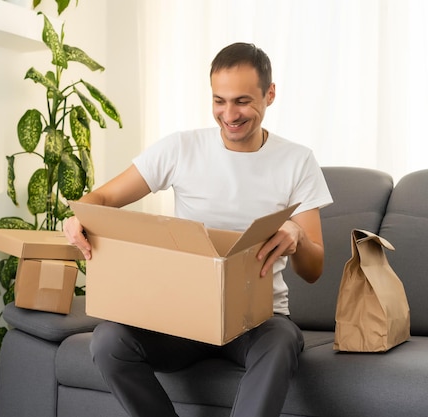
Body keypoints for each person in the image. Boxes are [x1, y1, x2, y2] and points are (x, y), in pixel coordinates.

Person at [63, 42, 332, 417]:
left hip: (256, 321)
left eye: (242, 101)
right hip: (182, 316)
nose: (229, 114)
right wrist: (79, 217)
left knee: (282, 340)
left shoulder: (297, 161)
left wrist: (297, 237)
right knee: (108, 340)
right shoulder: (181, 148)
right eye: (219, 100)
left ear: (270, 94)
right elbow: (104, 199)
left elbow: (314, 269)